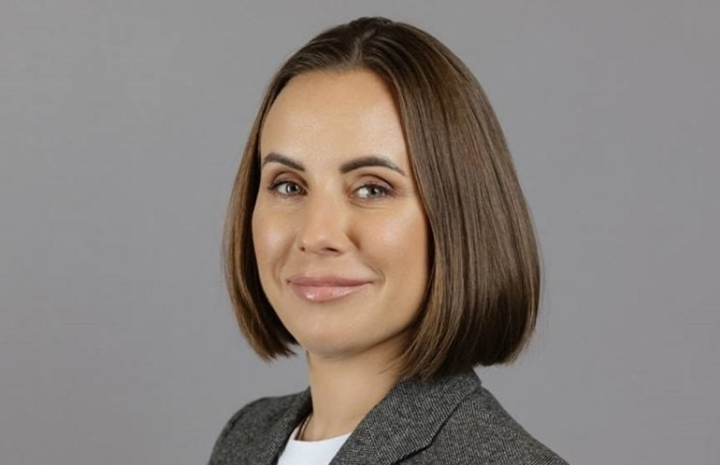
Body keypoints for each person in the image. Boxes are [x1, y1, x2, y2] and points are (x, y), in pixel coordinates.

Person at [209, 16, 568, 465]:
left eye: (372, 189)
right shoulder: (244, 440)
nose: (317, 235)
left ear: (458, 218)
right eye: (288, 185)